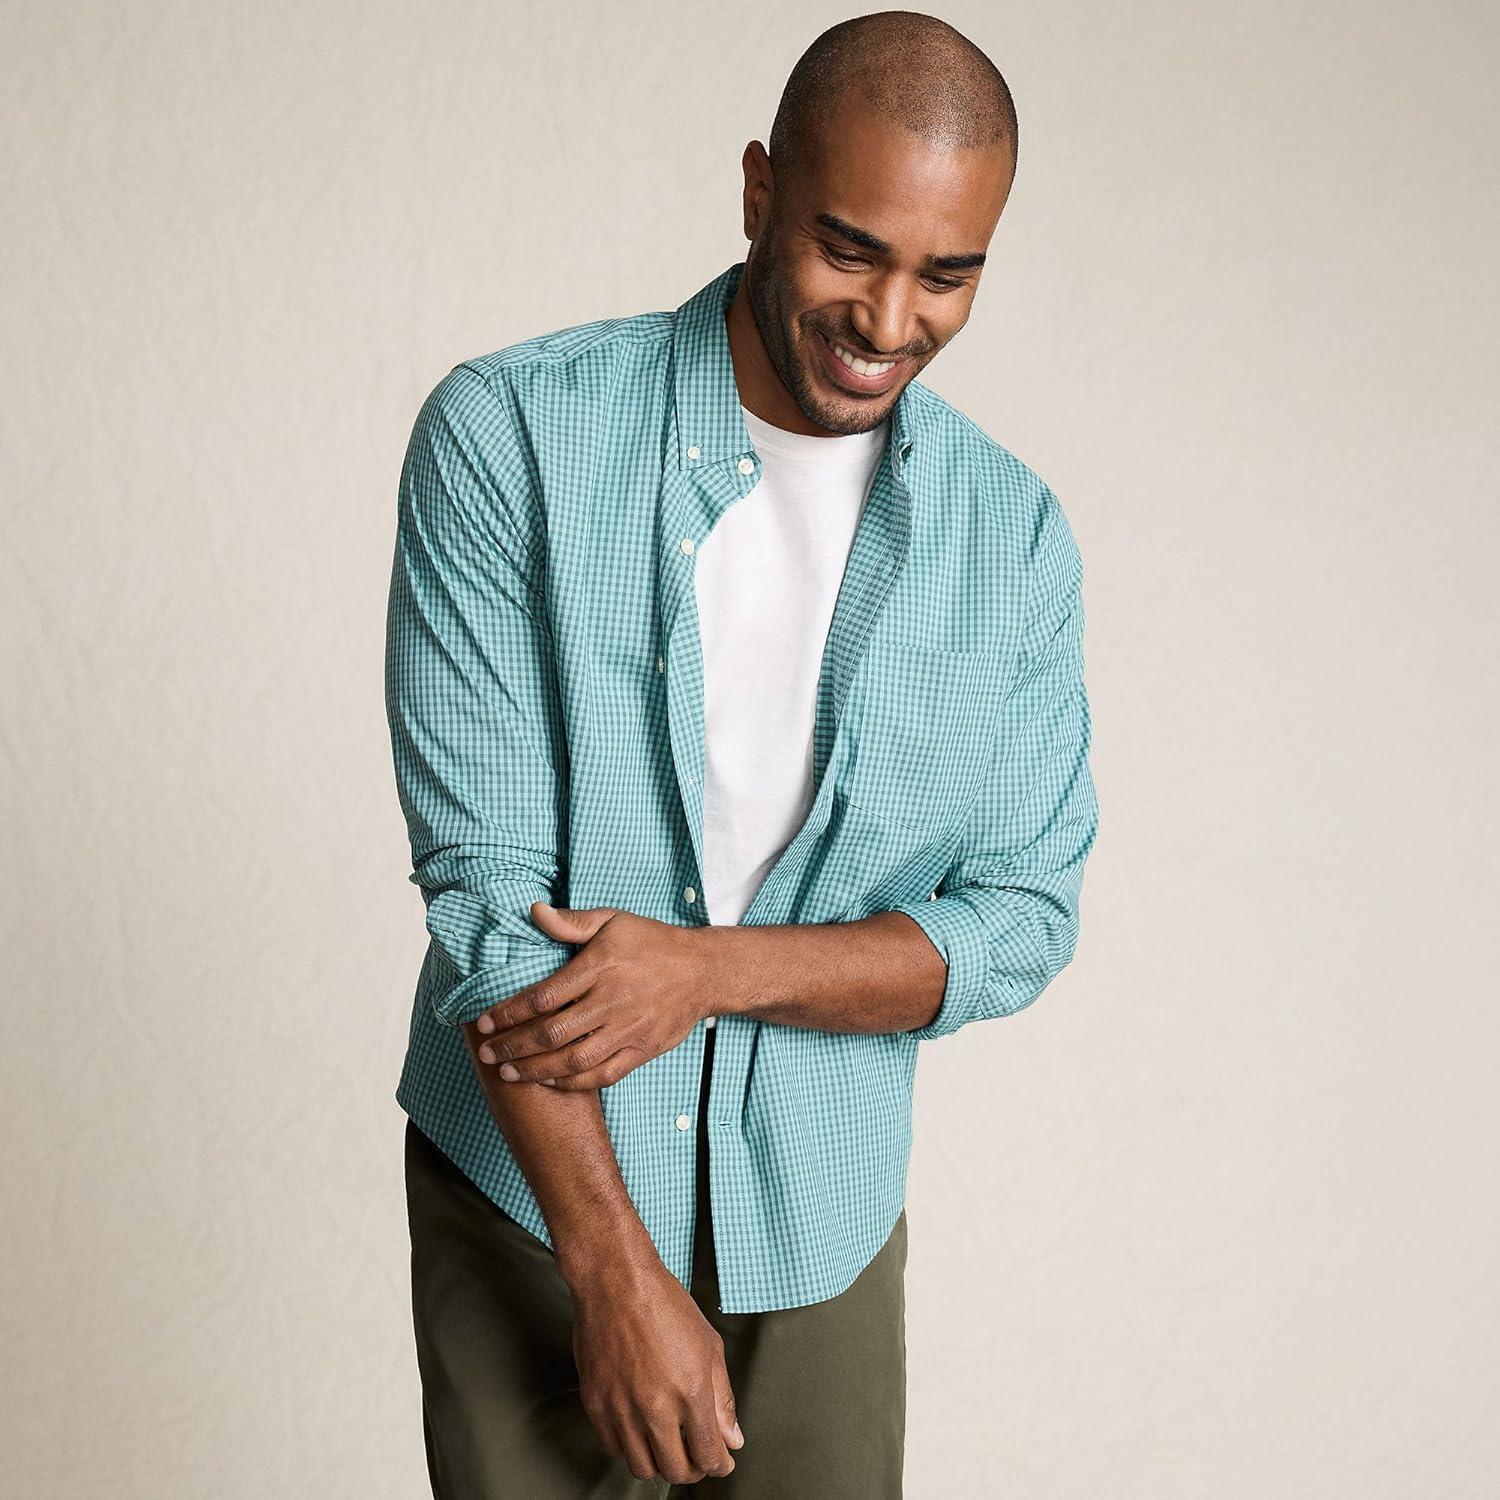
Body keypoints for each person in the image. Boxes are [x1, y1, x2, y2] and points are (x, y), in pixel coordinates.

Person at [384, 11, 1099, 1496]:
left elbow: (1023, 920)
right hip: (535, 1196)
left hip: (820, 1204)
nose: (889, 320)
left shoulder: (1013, 537)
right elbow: (488, 902)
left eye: (948, 274)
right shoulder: (511, 434)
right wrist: (611, 1273)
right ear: (762, 189)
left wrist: (705, 972)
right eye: (850, 250)